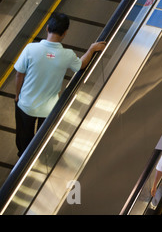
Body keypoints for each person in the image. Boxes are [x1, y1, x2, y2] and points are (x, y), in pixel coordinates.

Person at [14, 12, 106, 157]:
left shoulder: (31, 49)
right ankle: (42, 158)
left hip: (26, 104)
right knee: (43, 139)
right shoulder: (67, 55)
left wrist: (17, 95)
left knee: (24, 138)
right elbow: (81, 64)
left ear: (47, 28)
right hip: (48, 109)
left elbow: (19, 74)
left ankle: (23, 159)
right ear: (64, 33)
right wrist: (91, 49)